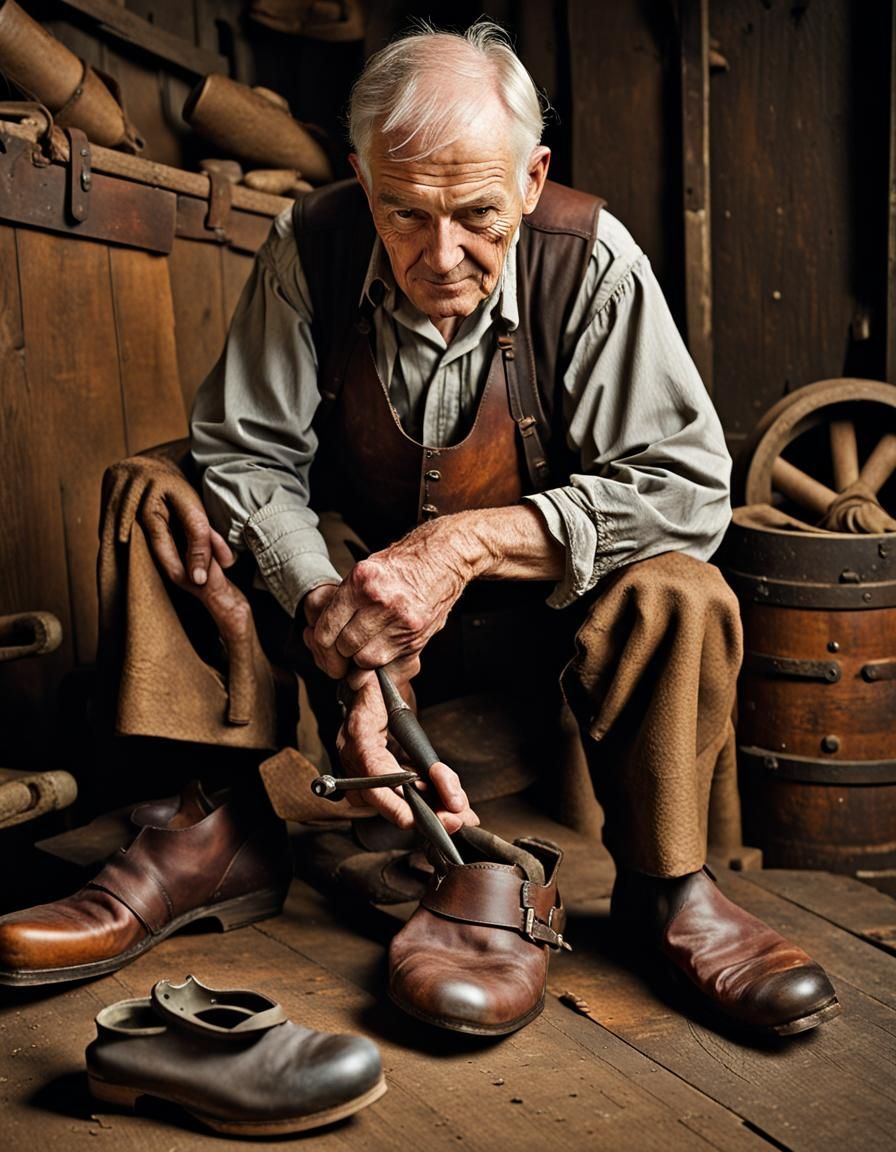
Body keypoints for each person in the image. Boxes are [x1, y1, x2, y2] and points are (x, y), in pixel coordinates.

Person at [0, 21, 840, 1039]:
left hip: (540, 628)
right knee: (167, 486)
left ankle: (667, 891)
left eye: (478, 215)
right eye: (403, 213)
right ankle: (210, 828)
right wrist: (331, 614)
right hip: (354, 612)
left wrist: (463, 546)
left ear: (531, 179)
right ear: (360, 178)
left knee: (680, 586)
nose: (441, 257)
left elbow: (687, 486)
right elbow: (246, 456)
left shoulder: (591, 263)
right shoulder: (310, 241)